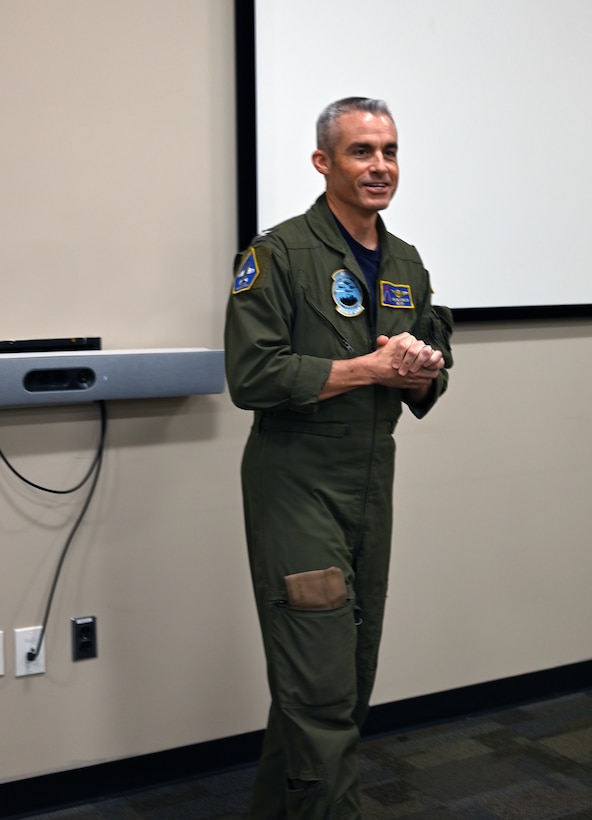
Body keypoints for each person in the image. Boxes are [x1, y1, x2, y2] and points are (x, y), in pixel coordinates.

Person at [224, 97, 453, 819]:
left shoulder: (407, 261)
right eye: (361, 152)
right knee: (321, 689)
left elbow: (425, 379)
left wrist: (422, 367)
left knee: (339, 676)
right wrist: (373, 368)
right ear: (324, 162)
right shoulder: (278, 255)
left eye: (388, 151)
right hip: (296, 481)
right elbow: (252, 376)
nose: (379, 167)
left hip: (369, 481)